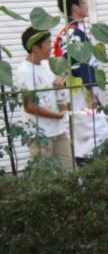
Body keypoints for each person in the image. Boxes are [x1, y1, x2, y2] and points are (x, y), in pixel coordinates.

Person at [15, 27, 71, 170]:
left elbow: (56, 95)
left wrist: (60, 89)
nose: (51, 47)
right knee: (47, 179)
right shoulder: (24, 71)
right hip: (39, 136)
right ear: (35, 48)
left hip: (58, 131)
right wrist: (56, 116)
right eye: (47, 43)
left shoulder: (47, 65)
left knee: (70, 171)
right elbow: (29, 106)